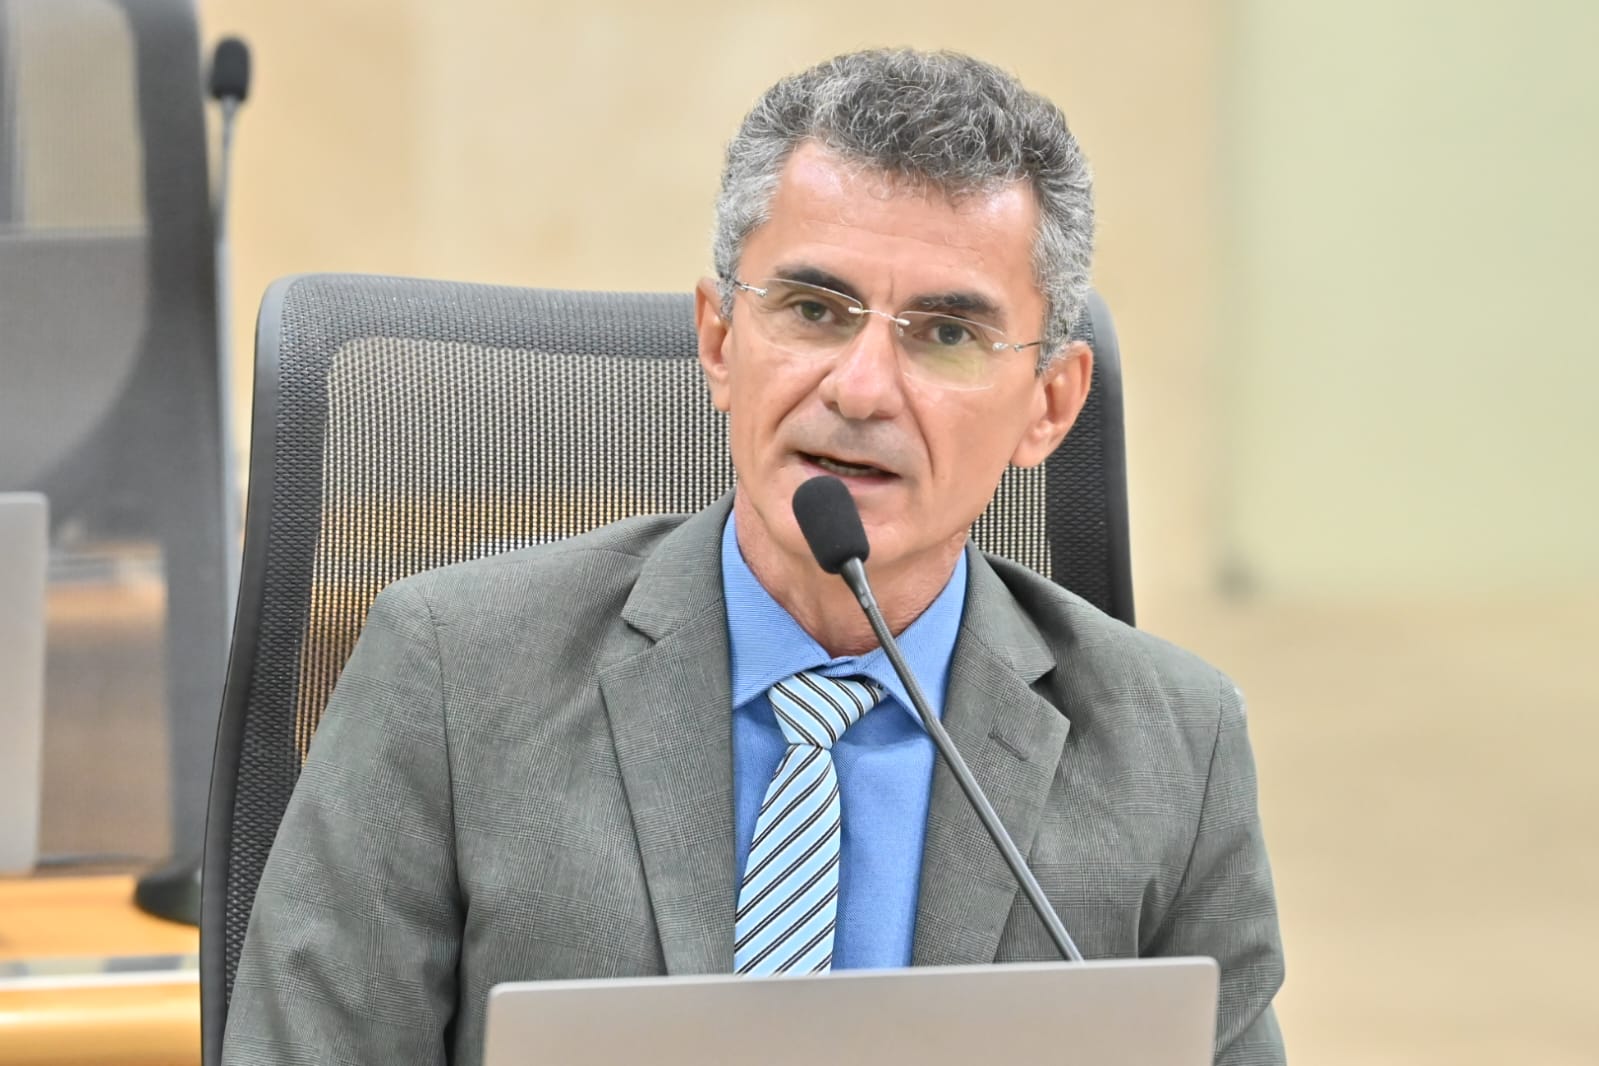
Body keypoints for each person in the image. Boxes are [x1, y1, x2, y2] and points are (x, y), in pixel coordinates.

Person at [222, 48, 1285, 1066]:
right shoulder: (454, 676)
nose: (860, 389)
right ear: (721, 340)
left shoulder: (1173, 750)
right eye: (814, 311)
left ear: (1049, 404)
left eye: (945, 333)